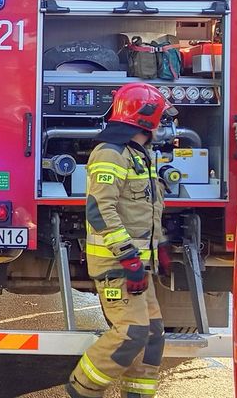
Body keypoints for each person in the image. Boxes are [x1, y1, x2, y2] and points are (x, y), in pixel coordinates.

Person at [66, 82, 176, 398]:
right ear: (146, 119)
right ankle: (81, 389)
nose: (163, 126)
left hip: (139, 264)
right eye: (160, 119)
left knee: (153, 335)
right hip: (119, 264)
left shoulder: (138, 154)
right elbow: (100, 210)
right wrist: (127, 256)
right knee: (132, 332)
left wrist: (161, 247)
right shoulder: (110, 154)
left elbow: (144, 211)